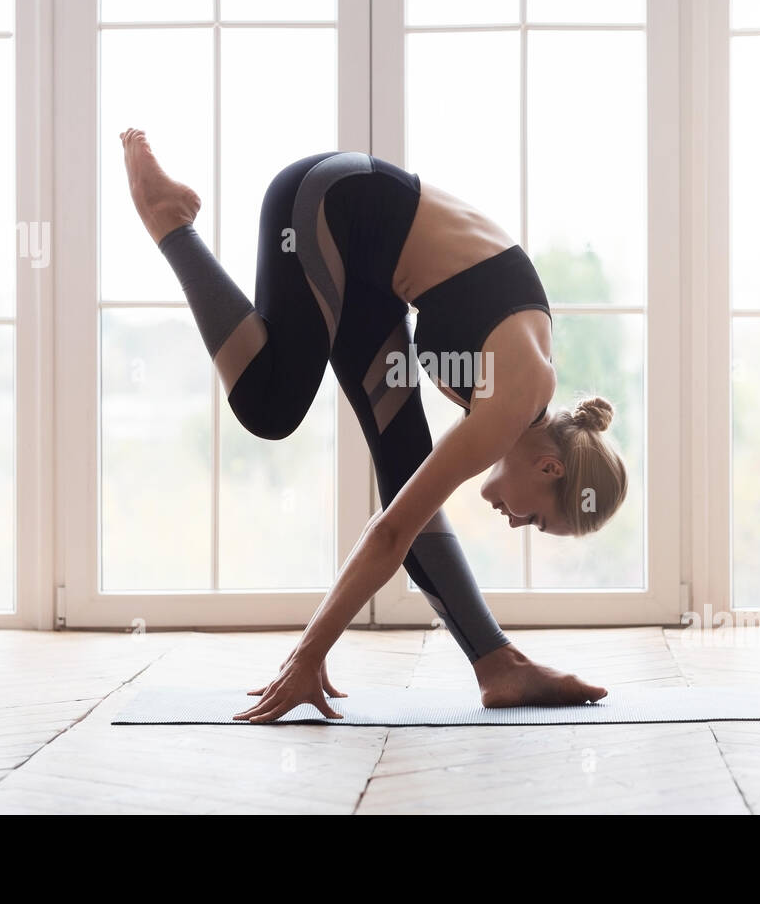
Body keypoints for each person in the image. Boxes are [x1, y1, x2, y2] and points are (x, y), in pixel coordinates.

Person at [119, 129, 628, 722]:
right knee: (271, 405)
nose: (516, 522)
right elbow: (390, 534)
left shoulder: (518, 394)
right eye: (535, 518)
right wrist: (307, 654)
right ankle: (172, 223)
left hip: (370, 274)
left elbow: (402, 522)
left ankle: (497, 666)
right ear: (550, 466)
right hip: (329, 205)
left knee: (406, 480)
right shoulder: (517, 393)